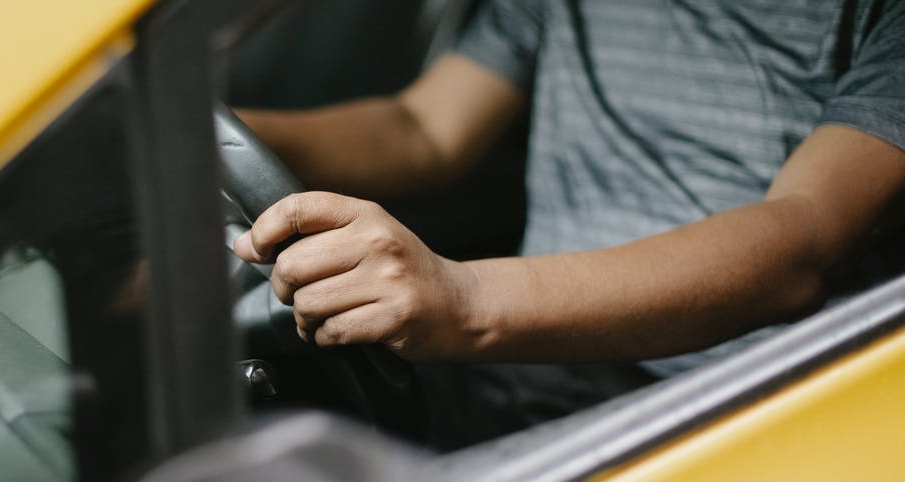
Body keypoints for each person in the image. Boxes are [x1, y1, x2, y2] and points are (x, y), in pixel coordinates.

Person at [232, 0, 905, 445]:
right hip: (525, 362)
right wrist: (201, 141)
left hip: (725, 412)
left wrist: (464, 300)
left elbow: (803, 241)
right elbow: (424, 127)